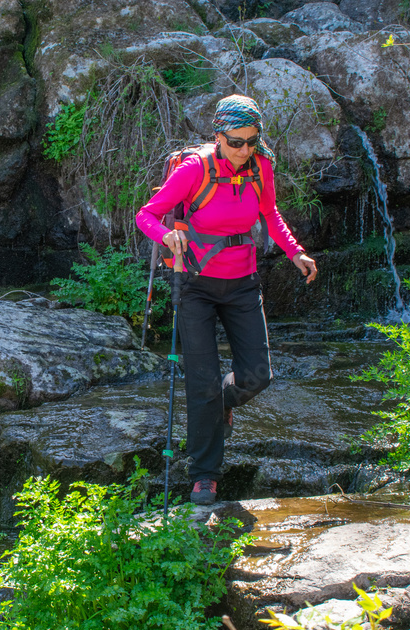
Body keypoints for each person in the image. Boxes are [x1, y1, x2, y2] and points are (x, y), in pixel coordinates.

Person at [136, 94, 318, 504]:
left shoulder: (261, 167)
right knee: (200, 384)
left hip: (242, 283)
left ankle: (223, 403)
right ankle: (204, 475)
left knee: (258, 375)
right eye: (236, 141)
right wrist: (165, 234)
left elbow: (270, 215)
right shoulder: (193, 170)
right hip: (195, 285)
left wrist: (295, 252)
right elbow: (145, 215)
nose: (243, 150)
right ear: (217, 136)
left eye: (251, 141)